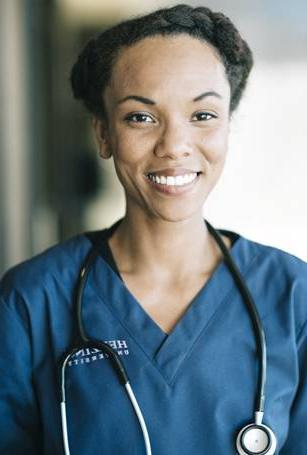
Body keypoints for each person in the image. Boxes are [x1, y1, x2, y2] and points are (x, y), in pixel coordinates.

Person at [0, 4, 306, 454]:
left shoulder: (292, 296)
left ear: (226, 127)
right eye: (141, 117)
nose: (175, 146)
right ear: (103, 134)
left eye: (202, 116)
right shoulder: (32, 300)